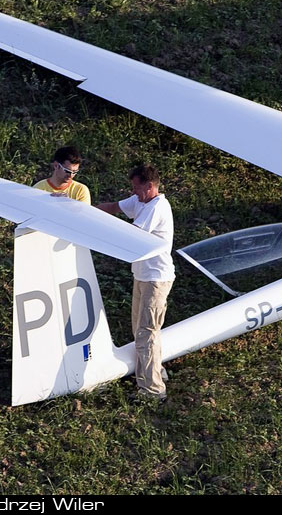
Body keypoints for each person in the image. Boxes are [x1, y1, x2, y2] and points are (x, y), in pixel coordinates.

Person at [96, 164, 175, 401]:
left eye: (137, 188)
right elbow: (113, 208)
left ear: (150, 186)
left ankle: (153, 390)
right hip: (142, 276)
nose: (134, 193)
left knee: (147, 332)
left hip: (156, 279)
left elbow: (131, 234)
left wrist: (94, 233)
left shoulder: (157, 206)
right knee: (141, 331)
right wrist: (80, 212)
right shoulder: (140, 201)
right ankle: (156, 372)